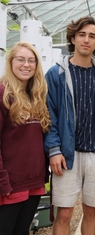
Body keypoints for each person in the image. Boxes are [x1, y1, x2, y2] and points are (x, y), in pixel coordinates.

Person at [44, 16, 95, 235]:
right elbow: (49, 116)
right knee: (65, 214)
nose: (86, 40)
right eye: (82, 35)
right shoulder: (56, 74)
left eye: (92, 36)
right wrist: (54, 149)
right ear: (73, 38)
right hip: (68, 154)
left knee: (91, 211)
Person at [0, 41, 51, 234]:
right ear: (11, 62)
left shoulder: (36, 96)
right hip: (11, 183)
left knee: (22, 231)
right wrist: (2, 181)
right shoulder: (3, 94)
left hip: (33, 182)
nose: (26, 65)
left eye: (31, 61)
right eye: (20, 59)